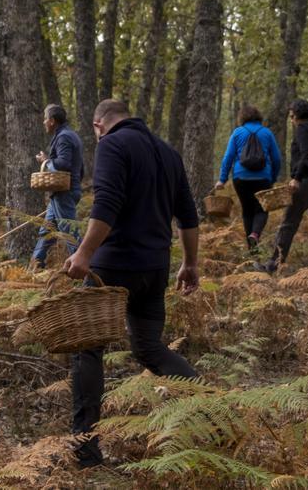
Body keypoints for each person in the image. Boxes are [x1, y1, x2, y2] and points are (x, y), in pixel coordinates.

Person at [63, 99, 200, 468]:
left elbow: (106, 203)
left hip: (114, 268)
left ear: (98, 124)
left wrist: (84, 254)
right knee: (150, 348)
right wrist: (189, 263)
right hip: (154, 269)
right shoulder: (169, 152)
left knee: (87, 348)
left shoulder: (112, 144)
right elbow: (187, 215)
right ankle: (210, 405)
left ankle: (85, 449)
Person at [260, 98, 308, 274]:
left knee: (289, 222)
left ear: (296, 115)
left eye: (291, 115)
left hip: (307, 182)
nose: (291, 119)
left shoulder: (302, 129)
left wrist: (296, 178)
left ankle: (273, 264)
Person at [214, 104, 283, 251]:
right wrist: (273, 177)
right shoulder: (267, 133)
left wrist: (222, 179)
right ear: (259, 117)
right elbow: (276, 159)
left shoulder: (237, 132)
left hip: (241, 177)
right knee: (262, 209)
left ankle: (252, 251)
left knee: (247, 210)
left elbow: (228, 157)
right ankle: (255, 234)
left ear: (242, 117)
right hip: (263, 177)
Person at [31, 104, 84, 268]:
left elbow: (63, 164)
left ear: (52, 121)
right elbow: (80, 168)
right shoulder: (70, 135)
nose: (44, 122)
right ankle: (34, 268)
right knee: (46, 231)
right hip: (63, 193)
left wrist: (45, 161)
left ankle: (86, 268)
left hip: (64, 193)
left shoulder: (64, 137)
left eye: (45, 119)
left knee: (69, 233)